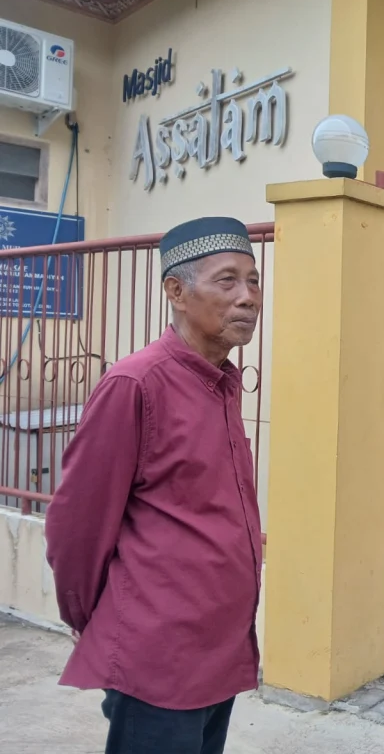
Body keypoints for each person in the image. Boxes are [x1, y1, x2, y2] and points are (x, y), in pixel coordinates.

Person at [44, 217, 265, 754]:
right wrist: (92, 618)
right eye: (227, 280)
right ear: (176, 292)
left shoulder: (223, 384)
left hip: (222, 646)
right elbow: (78, 523)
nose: (249, 298)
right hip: (159, 653)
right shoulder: (136, 384)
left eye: (254, 281)